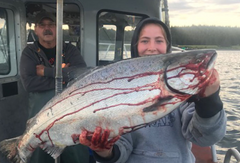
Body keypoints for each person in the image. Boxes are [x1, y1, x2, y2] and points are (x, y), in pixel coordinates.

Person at [78, 17, 227, 163]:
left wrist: (209, 100)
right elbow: (122, 147)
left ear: (167, 46)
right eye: (144, 40)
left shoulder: (182, 86)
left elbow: (203, 137)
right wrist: (105, 152)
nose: (151, 47)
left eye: (159, 40)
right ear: (135, 46)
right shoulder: (118, 87)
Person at [20, 11, 90, 163]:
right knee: (40, 157)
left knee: (76, 155)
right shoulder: (29, 53)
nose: (47, 28)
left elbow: (80, 74)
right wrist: (64, 77)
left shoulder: (70, 50)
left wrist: (46, 71)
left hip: (72, 118)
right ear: (36, 30)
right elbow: (30, 83)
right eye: (42, 25)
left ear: (58, 28)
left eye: (51, 24)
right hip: (40, 119)